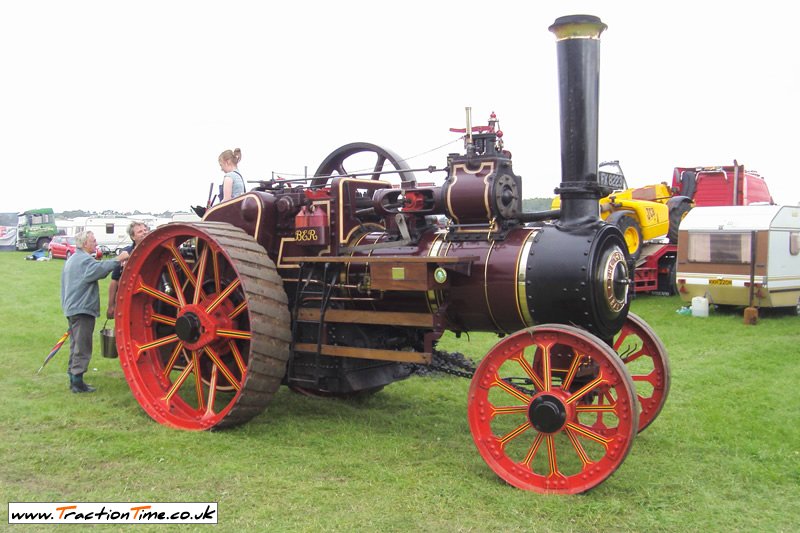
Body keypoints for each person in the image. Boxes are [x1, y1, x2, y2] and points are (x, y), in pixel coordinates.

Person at [61, 230, 129, 393]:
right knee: (82, 345)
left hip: (73, 308)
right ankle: (77, 382)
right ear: (85, 244)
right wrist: (118, 259)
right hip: (82, 309)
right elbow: (99, 269)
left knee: (76, 344)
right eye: (93, 241)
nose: (96, 243)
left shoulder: (74, 259)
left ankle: (73, 378)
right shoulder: (83, 261)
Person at [106, 221, 149, 319]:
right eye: (140, 231)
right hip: (128, 298)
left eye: (145, 230)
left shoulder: (156, 251)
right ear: (133, 237)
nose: (144, 233)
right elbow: (114, 280)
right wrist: (111, 305)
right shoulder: (125, 253)